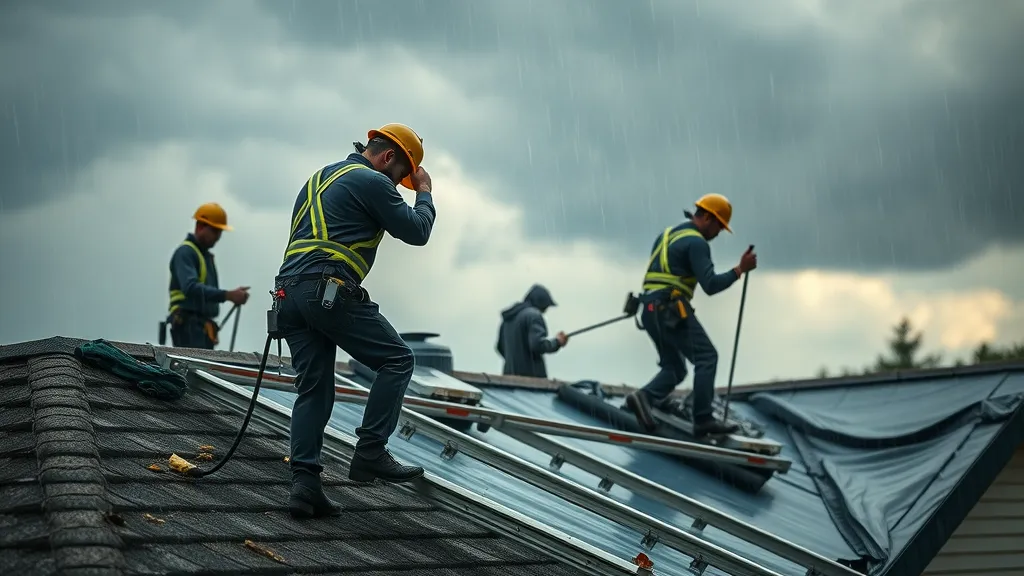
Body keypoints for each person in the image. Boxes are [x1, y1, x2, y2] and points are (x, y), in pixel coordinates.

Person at [273, 123, 436, 519]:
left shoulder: (319, 177)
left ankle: (305, 486)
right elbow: (418, 231)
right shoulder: (373, 181)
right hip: (326, 290)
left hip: (288, 295)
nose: (399, 186)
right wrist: (426, 192)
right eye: (401, 177)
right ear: (388, 158)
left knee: (314, 390)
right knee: (397, 360)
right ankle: (370, 451)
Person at [625, 194, 758, 438]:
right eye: (719, 225)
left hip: (650, 311)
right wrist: (740, 269)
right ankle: (703, 420)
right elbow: (711, 285)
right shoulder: (697, 243)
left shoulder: (666, 235)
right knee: (707, 357)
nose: (718, 233)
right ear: (707, 217)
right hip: (670, 311)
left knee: (675, 368)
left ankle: (643, 397)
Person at [166, 203, 250, 349]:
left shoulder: (204, 256)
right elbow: (190, 288)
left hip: (200, 327)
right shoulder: (186, 253)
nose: (218, 237)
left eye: (220, 232)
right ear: (200, 226)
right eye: (215, 231)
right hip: (188, 325)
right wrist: (228, 295)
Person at [496, 284, 568, 378]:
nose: (545, 311)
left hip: (508, 379)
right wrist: (557, 342)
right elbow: (537, 345)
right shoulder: (533, 315)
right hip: (530, 381)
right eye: (545, 307)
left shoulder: (508, 319)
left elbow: (499, 347)